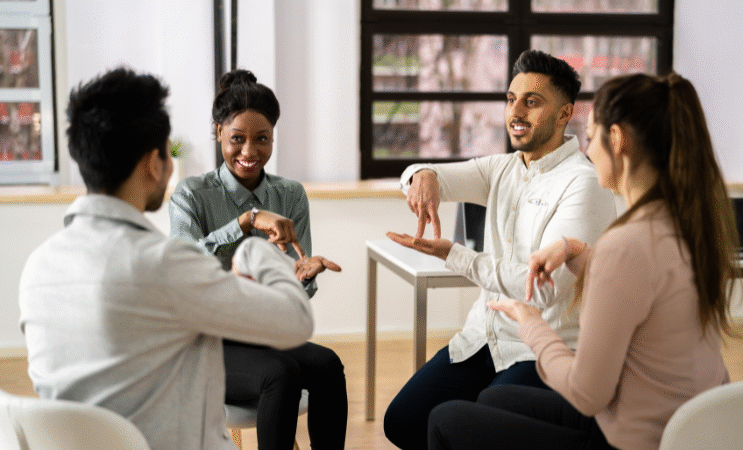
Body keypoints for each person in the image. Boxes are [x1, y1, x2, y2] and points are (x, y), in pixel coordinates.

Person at [427, 72, 737, 450]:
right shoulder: (687, 225)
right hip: (691, 423)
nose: (587, 150)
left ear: (617, 139)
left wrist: (532, 326)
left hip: (635, 438)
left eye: (591, 137)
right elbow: (647, 281)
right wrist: (583, 254)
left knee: (446, 419)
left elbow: (588, 394)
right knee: (495, 399)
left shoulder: (624, 244)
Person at [18, 68, 314, 450]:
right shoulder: (166, 264)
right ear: (155, 163)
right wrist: (255, 248)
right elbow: (295, 320)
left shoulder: (37, 267)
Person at [383, 49, 617, 450]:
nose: (517, 111)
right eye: (511, 99)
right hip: (483, 338)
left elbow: (539, 289)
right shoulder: (503, 169)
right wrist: (421, 175)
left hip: (541, 347)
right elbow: (419, 176)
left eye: (533, 101)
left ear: (564, 114)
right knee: (402, 422)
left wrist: (453, 255)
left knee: (471, 428)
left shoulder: (583, 182)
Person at [169, 69, 347, 450]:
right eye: (237, 139)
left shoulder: (290, 196)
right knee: (279, 374)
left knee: (328, 366)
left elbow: (296, 293)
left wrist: (303, 278)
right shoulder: (191, 194)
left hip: (262, 331)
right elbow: (185, 272)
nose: (249, 152)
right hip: (204, 340)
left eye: (262, 139)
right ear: (218, 132)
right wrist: (245, 223)